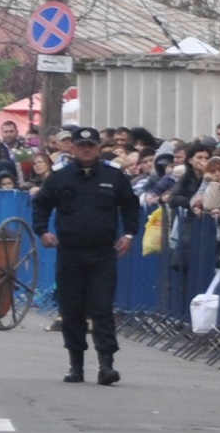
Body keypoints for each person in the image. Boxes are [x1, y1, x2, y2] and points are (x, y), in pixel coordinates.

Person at [32, 127, 140, 385]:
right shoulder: (60, 177)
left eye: (91, 145)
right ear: (74, 148)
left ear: (98, 147)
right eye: (82, 145)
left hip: (102, 253)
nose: (86, 150)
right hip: (70, 252)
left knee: (102, 307)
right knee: (72, 309)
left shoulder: (113, 176)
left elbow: (130, 205)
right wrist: (43, 231)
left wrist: (129, 235)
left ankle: (106, 365)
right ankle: (76, 365)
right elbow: (41, 204)